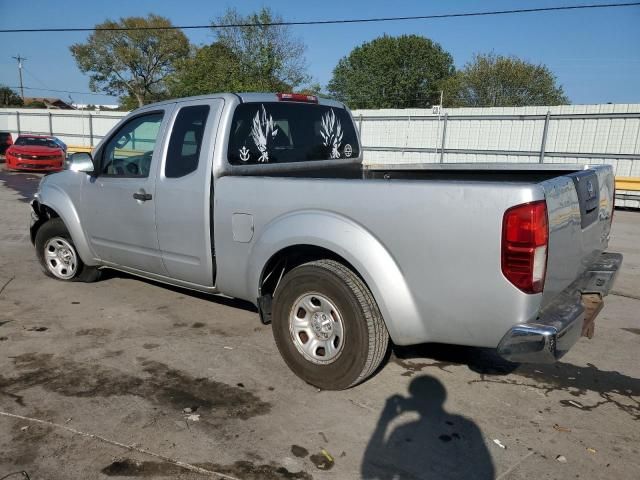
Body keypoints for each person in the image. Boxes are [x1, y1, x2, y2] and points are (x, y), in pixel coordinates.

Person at [361, 375, 495, 479]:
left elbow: (369, 473)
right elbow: (486, 470)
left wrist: (384, 421)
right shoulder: (467, 426)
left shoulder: (403, 431)